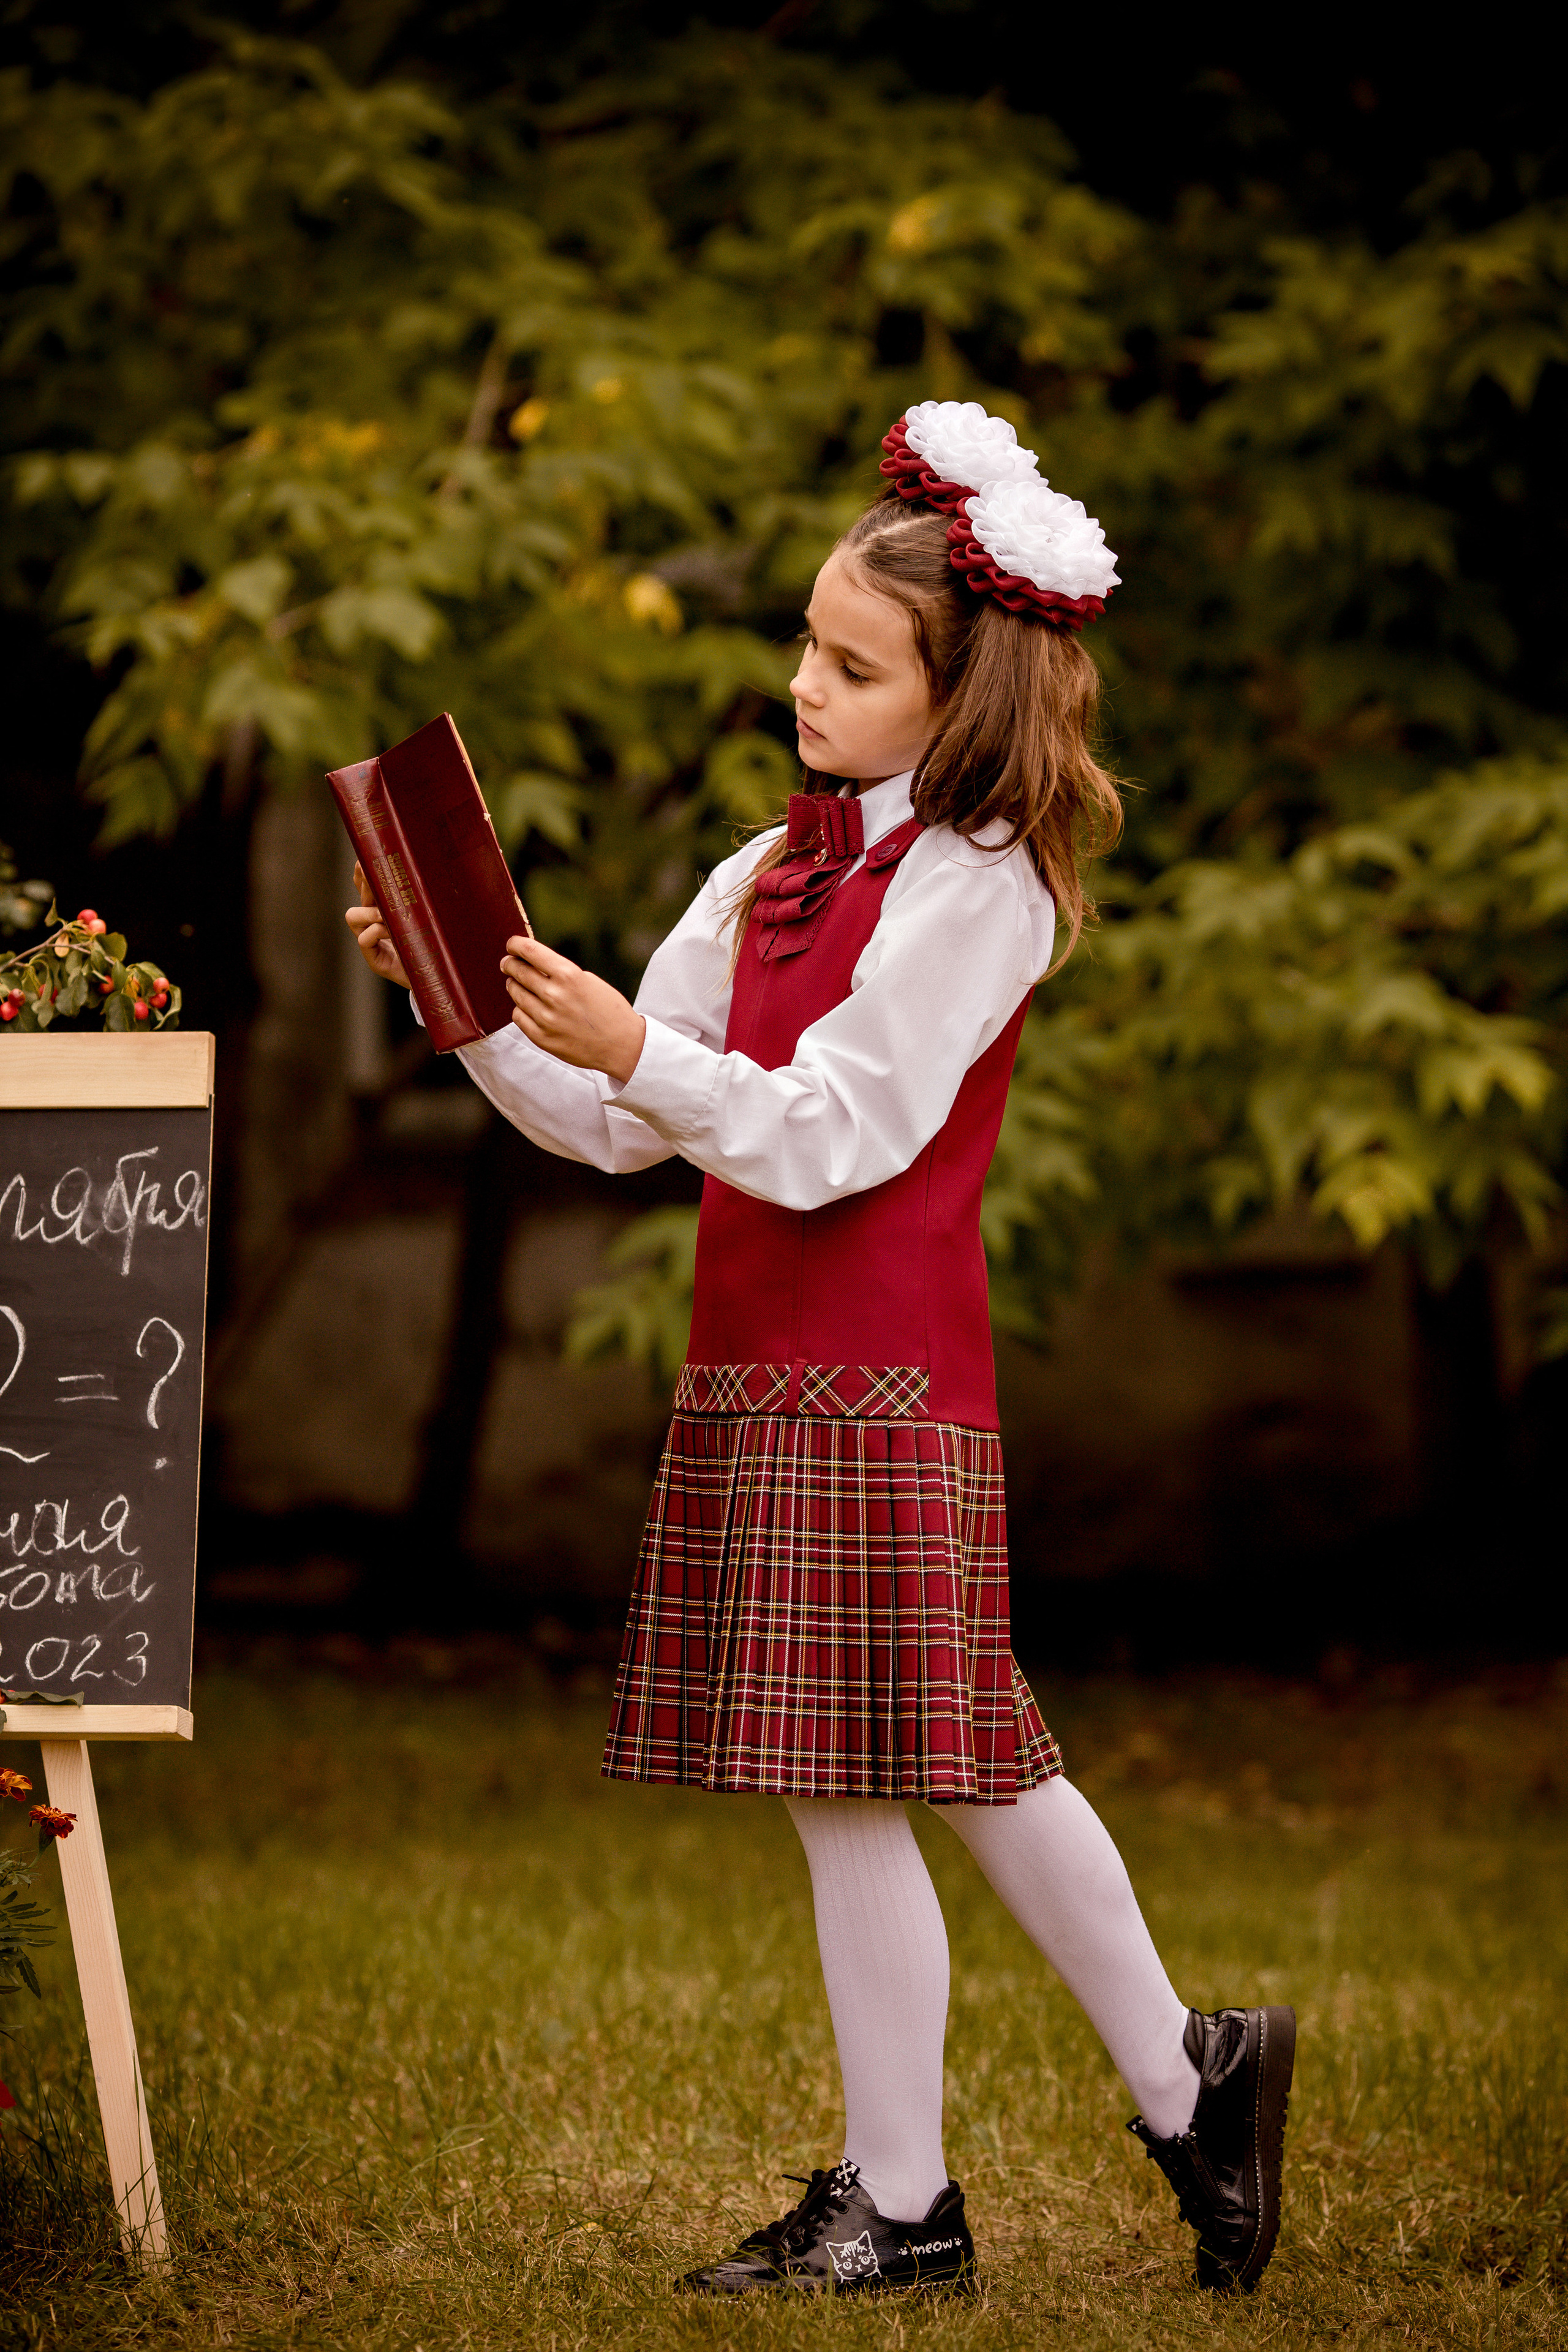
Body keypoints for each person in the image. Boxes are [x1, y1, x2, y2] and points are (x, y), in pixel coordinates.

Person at [348, 401, 1294, 2299]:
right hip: (762, 1379)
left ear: (959, 704)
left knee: (937, 1766)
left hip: (887, 1391)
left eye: (853, 667)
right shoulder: (761, 872)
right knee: (904, 1771)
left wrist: (641, 1054)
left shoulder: (980, 888)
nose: (806, 685)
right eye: (804, 645)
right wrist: (478, 1022)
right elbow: (632, 1127)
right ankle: (1117, 2113)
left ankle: (1006, 2161)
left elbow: (832, 1126)